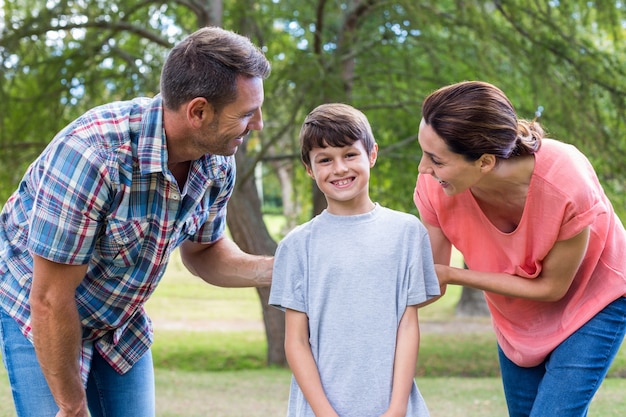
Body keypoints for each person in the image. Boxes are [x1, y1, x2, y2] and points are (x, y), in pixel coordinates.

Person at [0, 26, 273, 417]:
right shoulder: (94, 156)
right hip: (39, 308)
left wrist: (279, 270)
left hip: (118, 318)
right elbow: (49, 298)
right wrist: (72, 406)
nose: (258, 124)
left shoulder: (217, 162)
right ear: (198, 111)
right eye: (247, 113)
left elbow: (206, 252)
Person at [413, 80, 626, 417]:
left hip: (594, 297)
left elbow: (552, 288)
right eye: (423, 153)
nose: (423, 168)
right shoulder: (436, 187)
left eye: (436, 160)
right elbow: (431, 284)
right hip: (518, 312)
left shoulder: (565, 181)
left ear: (484, 162)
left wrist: (455, 274)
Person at [269, 103, 440, 417]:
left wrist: (397, 408)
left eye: (350, 154)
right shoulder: (297, 246)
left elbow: (408, 325)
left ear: (372, 154)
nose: (339, 169)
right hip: (319, 409)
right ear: (309, 169)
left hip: (394, 407)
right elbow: (296, 342)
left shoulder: (407, 233)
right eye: (324, 160)